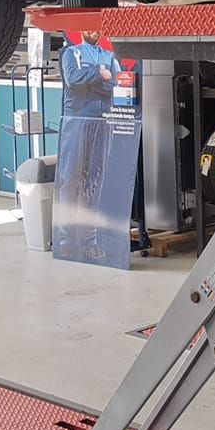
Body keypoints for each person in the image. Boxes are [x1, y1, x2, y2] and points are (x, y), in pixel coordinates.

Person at [58, 31, 120, 260]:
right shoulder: (70, 53)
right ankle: (65, 240)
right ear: (81, 30)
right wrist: (97, 74)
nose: (93, 31)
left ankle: (89, 242)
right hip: (76, 120)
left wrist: (93, 82)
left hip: (101, 119)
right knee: (70, 178)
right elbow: (73, 80)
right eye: (88, 27)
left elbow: (113, 84)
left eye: (96, 28)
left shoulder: (109, 55)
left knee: (94, 179)